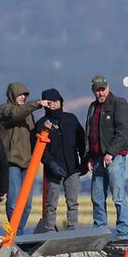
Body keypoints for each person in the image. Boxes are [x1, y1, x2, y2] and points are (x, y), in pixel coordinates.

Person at [84, 75, 128, 237]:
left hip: (115, 158)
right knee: (97, 197)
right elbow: (89, 133)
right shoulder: (92, 107)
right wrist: (89, 156)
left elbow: (123, 132)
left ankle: (123, 233)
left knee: (118, 197)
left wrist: (110, 153)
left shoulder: (119, 104)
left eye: (102, 89)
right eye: (97, 90)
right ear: (93, 91)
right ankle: (99, 232)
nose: (100, 93)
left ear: (108, 87)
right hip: (97, 159)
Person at [34, 88, 86, 232]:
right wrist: (50, 164)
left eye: (56, 101)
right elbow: (39, 150)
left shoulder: (71, 118)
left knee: (73, 202)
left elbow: (81, 140)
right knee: (51, 204)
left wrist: (83, 160)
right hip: (53, 169)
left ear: (61, 101)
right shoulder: (42, 123)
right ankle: (49, 230)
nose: (54, 105)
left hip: (73, 167)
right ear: (46, 105)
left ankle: (72, 230)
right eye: (50, 103)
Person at [0, 82, 42, 234]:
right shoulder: (4, 110)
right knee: (14, 202)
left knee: (27, 204)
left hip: (28, 162)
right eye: (20, 94)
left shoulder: (28, 114)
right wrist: (36, 103)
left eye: (25, 95)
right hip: (12, 161)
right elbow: (16, 114)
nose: (23, 97)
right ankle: (14, 233)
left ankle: (19, 231)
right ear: (12, 95)